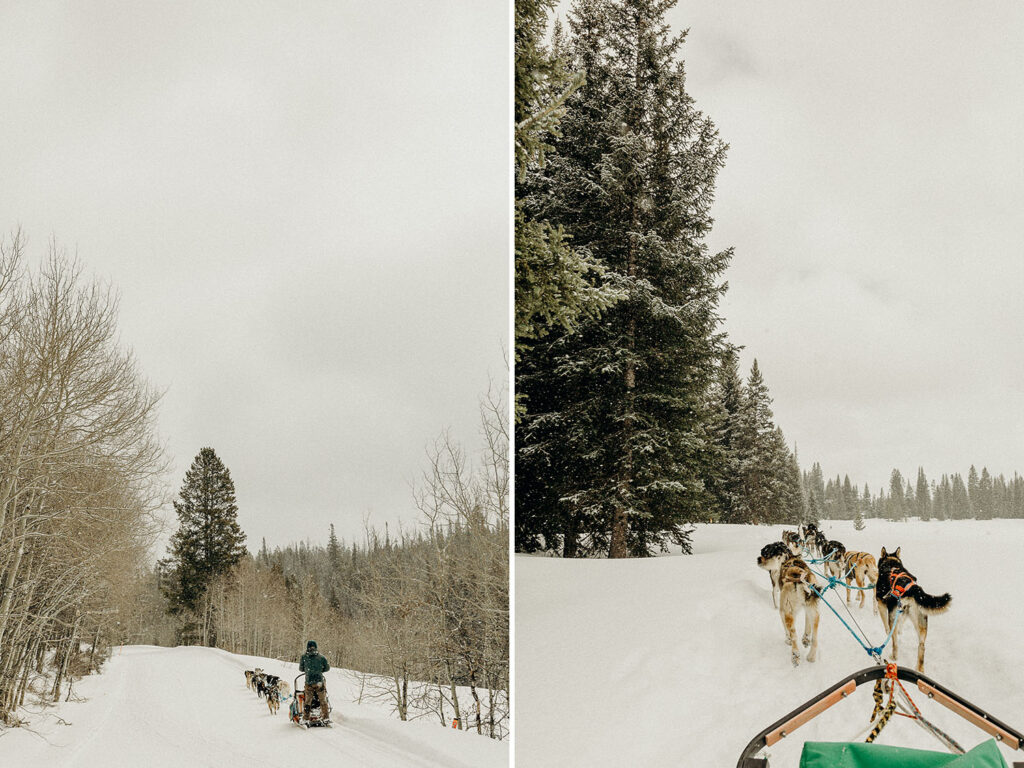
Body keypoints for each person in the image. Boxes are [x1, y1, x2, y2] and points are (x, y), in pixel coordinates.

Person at [299, 640, 331, 722]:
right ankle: (326, 716)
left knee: (308, 701)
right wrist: (319, 670)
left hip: (309, 682)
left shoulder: (304, 657)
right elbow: (327, 668)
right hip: (319, 682)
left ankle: (306, 718)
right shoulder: (321, 657)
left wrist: (308, 670)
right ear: (316, 647)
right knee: (323, 700)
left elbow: (301, 669)